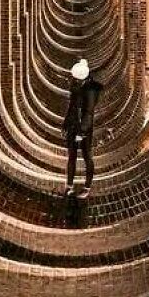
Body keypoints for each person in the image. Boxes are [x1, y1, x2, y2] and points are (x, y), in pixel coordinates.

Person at [61, 58, 103, 198]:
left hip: (84, 129)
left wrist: (82, 132)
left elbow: (88, 114)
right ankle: (69, 185)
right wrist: (66, 125)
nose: (76, 81)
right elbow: (72, 107)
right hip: (73, 126)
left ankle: (87, 187)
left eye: (78, 79)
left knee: (87, 156)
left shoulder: (90, 91)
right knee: (71, 156)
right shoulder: (75, 87)